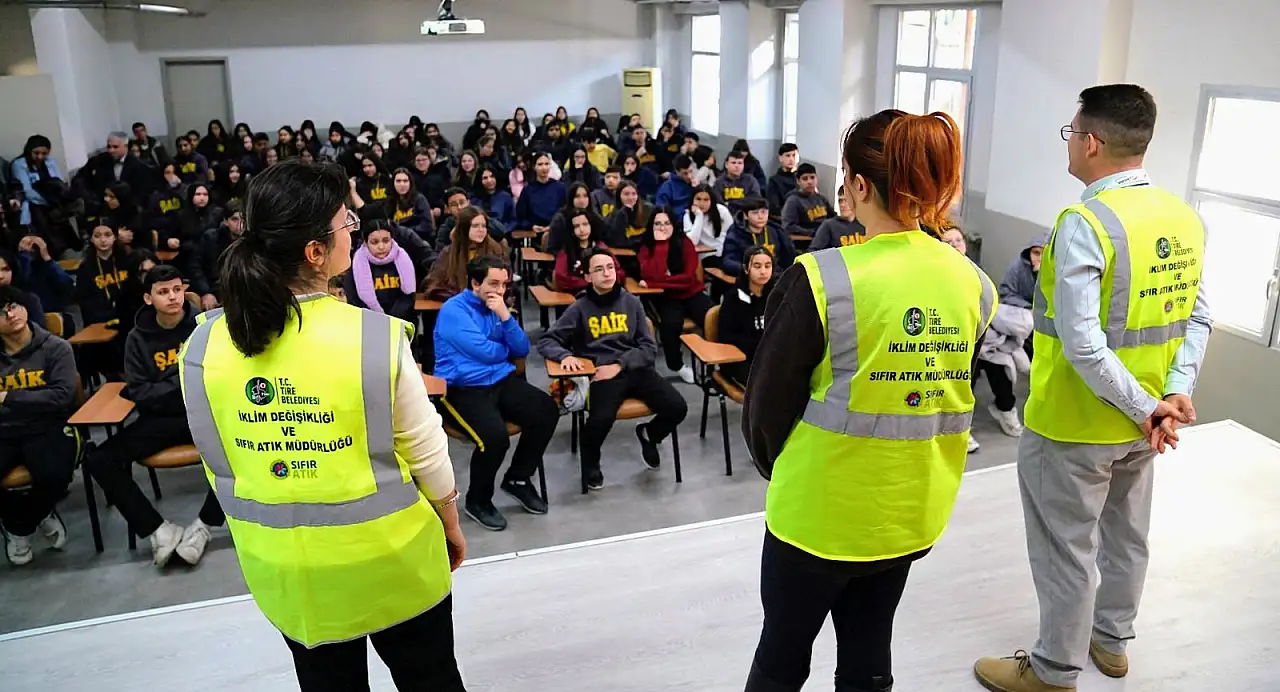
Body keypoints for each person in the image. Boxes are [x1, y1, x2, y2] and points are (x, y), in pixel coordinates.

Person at [177, 161, 467, 690]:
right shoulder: (372, 337)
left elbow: (217, 459)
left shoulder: (201, 345)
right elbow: (428, 453)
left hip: (286, 569)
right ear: (315, 251)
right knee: (430, 680)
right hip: (391, 559)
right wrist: (449, 520)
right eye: (346, 224)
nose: (354, 232)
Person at [740, 109, 995, 692]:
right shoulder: (972, 282)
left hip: (817, 513)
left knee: (781, 654)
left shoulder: (822, 276)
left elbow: (764, 410)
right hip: (909, 509)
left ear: (857, 185)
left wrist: (783, 470)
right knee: (868, 654)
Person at [973, 84, 1211, 692]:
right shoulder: (1182, 217)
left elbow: (1081, 343)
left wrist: (1148, 406)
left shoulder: (1085, 222)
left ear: (1092, 142)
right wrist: (1169, 398)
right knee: (1127, 538)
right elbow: (1197, 318)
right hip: (1145, 427)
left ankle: (1053, 668)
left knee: (1065, 549)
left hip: (1075, 425)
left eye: (1071, 133)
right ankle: (1111, 642)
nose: (1070, 143)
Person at [82, 265, 225, 567]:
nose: (173, 297)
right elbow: (141, 393)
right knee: (99, 459)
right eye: (163, 292)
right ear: (148, 299)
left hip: (203, 415)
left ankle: (205, 526)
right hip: (158, 420)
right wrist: (184, 378)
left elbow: (219, 377)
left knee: (245, 449)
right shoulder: (136, 338)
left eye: (177, 289)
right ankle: (158, 530)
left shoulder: (204, 327)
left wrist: (167, 385)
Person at [538, 247, 688, 490]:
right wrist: (564, 355)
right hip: (602, 375)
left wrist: (620, 364)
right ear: (587, 276)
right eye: (598, 269)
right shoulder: (579, 308)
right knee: (600, 420)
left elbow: (648, 347)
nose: (607, 273)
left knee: (677, 407)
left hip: (634, 368)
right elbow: (547, 341)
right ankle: (591, 463)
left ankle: (650, 434)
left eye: (610, 267)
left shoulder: (632, 302)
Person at [433, 256, 558, 531]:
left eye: (504, 284)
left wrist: (504, 316)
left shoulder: (496, 308)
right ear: (475, 283)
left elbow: (522, 349)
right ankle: (478, 501)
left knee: (546, 410)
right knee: (494, 439)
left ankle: (518, 478)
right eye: (493, 284)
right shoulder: (454, 311)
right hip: (461, 388)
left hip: (499, 380)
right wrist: (504, 349)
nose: (500, 290)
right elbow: (486, 351)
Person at [0, 285, 79, 566]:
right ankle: (27, 515)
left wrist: (9, 397)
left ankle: (20, 526)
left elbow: (61, 396)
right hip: (4, 431)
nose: (10, 314)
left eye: (14, 306)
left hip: (47, 427)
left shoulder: (56, 347)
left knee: (56, 475)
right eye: (1, 311)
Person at [637, 207, 710, 383]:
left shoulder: (684, 242)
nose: (662, 228)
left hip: (691, 291)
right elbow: (649, 273)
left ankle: (716, 363)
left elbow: (688, 278)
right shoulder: (646, 245)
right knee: (670, 325)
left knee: (713, 316)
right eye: (657, 224)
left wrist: (656, 282)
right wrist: (661, 245)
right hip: (665, 296)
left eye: (666, 223)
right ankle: (677, 365)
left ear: (673, 224)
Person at [718, 247, 774, 386]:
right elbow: (726, 337)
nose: (763, 271)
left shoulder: (776, 295)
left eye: (768, 266)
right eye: (757, 266)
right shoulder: (733, 298)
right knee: (767, 385)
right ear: (746, 269)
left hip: (770, 355)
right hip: (741, 358)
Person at [425, 207, 507, 302]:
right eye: (475, 226)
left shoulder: (494, 249)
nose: (481, 230)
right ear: (464, 228)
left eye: (484, 226)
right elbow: (435, 284)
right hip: (457, 304)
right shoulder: (449, 252)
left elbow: (505, 282)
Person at [344, 219, 417, 323]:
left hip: (402, 322)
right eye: (375, 242)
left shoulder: (403, 259)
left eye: (386, 240)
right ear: (366, 242)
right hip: (369, 324)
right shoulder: (357, 265)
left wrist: (393, 319)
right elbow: (354, 299)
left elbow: (409, 296)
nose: (381, 246)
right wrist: (380, 319)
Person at [554, 208, 626, 293]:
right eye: (577, 226)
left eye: (585, 224)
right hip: (577, 294)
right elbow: (560, 277)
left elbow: (619, 272)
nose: (581, 229)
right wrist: (589, 282)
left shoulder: (601, 247)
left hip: (603, 290)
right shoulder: (566, 250)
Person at [721, 196, 796, 276]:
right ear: (745, 216)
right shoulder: (735, 233)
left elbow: (788, 257)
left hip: (776, 275)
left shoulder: (776, 230)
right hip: (748, 276)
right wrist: (748, 269)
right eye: (755, 213)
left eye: (764, 212)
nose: (760, 217)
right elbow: (728, 262)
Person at [191, 203, 242, 309]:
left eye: (244, 219)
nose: (240, 224)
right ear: (226, 221)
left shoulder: (253, 241)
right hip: (215, 291)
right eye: (235, 219)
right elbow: (195, 267)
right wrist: (206, 292)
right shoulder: (211, 238)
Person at [10, 135, 63, 234]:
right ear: (29, 150)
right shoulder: (19, 164)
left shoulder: (50, 162)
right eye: (36, 153)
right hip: (33, 202)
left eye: (44, 153)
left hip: (53, 199)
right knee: (41, 215)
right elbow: (27, 191)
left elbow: (58, 181)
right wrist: (46, 201)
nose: (40, 157)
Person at [11, 236, 73, 317]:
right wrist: (23, 255)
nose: (31, 249)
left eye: (34, 246)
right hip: (29, 315)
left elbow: (67, 285)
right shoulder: (15, 267)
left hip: (54, 312)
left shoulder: (47, 265)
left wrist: (47, 258)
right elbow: (23, 278)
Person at [434, 187, 508, 250]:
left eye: (462, 202)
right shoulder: (447, 226)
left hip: (484, 257)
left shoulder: (479, 216)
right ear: (448, 209)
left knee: (503, 242)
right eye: (454, 205)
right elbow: (439, 251)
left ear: (468, 203)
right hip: (459, 261)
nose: (459, 207)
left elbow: (501, 232)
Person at [514, 152, 567, 233]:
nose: (544, 168)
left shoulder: (560, 188)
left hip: (557, 231)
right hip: (534, 233)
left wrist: (552, 226)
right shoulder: (527, 190)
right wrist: (531, 226)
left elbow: (565, 212)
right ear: (534, 166)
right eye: (540, 164)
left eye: (546, 164)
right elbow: (520, 217)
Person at [781, 163, 833, 239]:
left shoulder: (821, 198)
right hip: (807, 240)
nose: (810, 182)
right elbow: (789, 226)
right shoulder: (793, 201)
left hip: (824, 236)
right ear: (798, 181)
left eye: (812, 177)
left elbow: (833, 217)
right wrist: (813, 233)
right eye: (805, 179)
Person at [684, 184, 733, 264]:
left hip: (724, 253)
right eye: (698, 199)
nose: (702, 203)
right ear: (693, 200)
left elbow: (732, 232)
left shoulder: (722, 211)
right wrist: (699, 216)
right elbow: (692, 242)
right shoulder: (688, 215)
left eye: (706, 200)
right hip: (704, 256)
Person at [810, 185, 867, 251]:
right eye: (840, 201)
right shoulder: (829, 225)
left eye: (847, 200)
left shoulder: (865, 224)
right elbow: (812, 251)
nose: (842, 204)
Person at [387, 168, 435, 241]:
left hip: (417, 240)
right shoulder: (389, 201)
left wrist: (403, 231)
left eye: (405, 181)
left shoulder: (419, 199)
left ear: (410, 183)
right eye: (398, 181)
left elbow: (427, 226)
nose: (402, 184)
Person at [606, 180, 653, 249]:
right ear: (619, 196)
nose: (631, 198)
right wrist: (623, 213)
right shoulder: (614, 215)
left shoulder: (647, 210)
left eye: (634, 194)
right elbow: (617, 242)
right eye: (626, 194)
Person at [714, 150, 763, 215]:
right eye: (733, 163)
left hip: (747, 216)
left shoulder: (751, 180)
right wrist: (742, 203)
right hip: (726, 216)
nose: (737, 166)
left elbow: (755, 200)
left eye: (740, 163)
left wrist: (730, 204)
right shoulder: (719, 182)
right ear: (726, 165)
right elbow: (718, 204)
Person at [656, 154, 697, 220]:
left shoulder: (696, 184)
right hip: (678, 222)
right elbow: (662, 211)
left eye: (690, 171)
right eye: (685, 173)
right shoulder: (666, 188)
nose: (689, 176)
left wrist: (697, 189)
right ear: (677, 171)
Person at [766, 143, 801, 221]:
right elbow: (774, 209)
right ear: (780, 158)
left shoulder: (804, 178)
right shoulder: (774, 181)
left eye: (794, 155)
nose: (791, 159)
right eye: (788, 156)